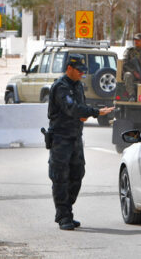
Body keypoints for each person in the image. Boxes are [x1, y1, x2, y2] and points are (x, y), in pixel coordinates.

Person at [48, 54, 114, 230]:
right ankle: (63, 216)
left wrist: (84, 114)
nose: (82, 74)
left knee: (77, 174)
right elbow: (71, 107)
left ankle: (67, 210)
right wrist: (95, 112)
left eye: (84, 72)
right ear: (69, 68)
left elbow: (79, 111)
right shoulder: (61, 87)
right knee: (60, 177)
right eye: (79, 71)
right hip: (61, 138)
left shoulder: (77, 86)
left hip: (75, 137)